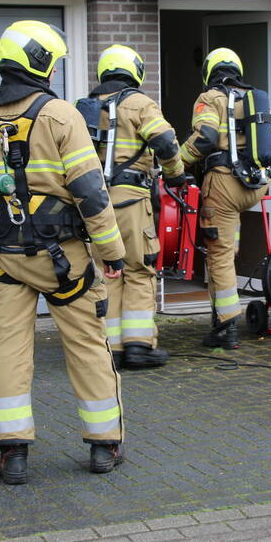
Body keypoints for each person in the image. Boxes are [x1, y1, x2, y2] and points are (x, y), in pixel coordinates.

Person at [0, 20, 126, 485]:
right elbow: (91, 193)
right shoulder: (62, 116)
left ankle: (13, 455)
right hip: (64, 261)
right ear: (42, 63)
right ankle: (104, 446)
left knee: (9, 350)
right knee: (88, 345)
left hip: (3, 259)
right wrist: (111, 251)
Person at [179, 47, 271, 350]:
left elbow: (204, 139)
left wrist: (175, 164)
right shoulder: (256, 101)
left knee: (219, 254)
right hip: (256, 185)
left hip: (224, 184)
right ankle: (224, 316)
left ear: (209, 72)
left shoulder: (209, 98)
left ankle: (226, 327)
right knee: (229, 239)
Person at [86, 44, 187, 370]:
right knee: (140, 270)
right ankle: (140, 347)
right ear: (135, 71)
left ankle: (111, 349)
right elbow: (166, 142)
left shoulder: (85, 107)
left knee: (108, 272)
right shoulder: (140, 103)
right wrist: (176, 176)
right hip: (131, 201)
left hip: (95, 205)